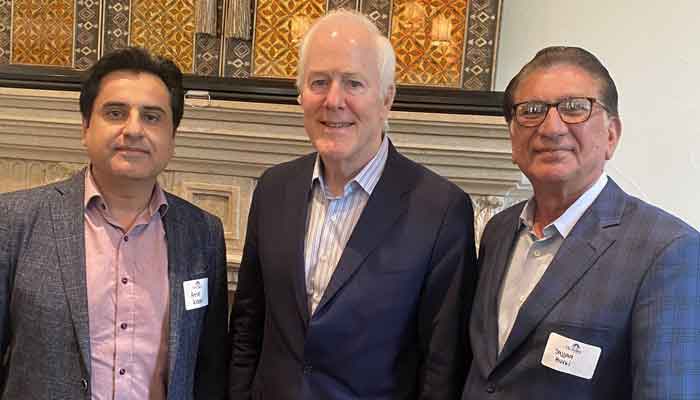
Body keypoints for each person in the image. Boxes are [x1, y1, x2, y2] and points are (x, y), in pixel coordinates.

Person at [229, 9, 477, 400]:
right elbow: (248, 323)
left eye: (354, 83)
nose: (333, 100)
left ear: (386, 99)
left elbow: (441, 365)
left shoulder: (441, 211)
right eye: (319, 82)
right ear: (301, 95)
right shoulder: (274, 189)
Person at [462, 46, 700, 399]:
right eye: (531, 111)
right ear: (512, 138)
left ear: (611, 135)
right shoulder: (498, 230)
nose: (551, 127)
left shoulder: (668, 251)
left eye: (575, 108)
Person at [0, 47, 229, 399]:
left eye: (152, 117)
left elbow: (209, 367)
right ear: (86, 127)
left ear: (172, 137)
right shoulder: (15, 221)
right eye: (115, 112)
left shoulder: (203, 234)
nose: (133, 129)